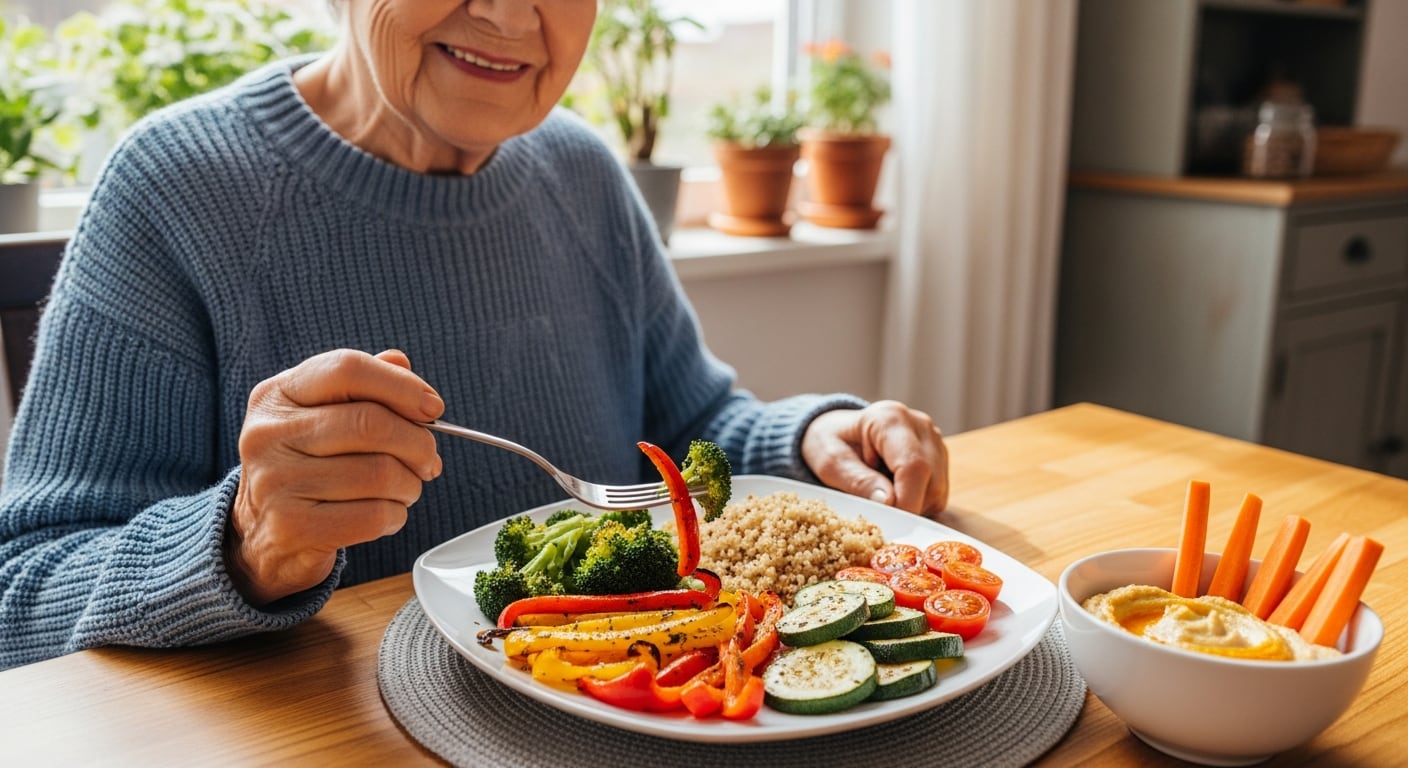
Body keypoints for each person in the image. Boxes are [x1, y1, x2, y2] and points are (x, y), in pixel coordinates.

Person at [0, 0, 947, 670]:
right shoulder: (175, 190)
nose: (506, 13)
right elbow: (23, 598)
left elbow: (695, 427)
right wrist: (243, 539)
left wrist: (813, 438)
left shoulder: (582, 173)